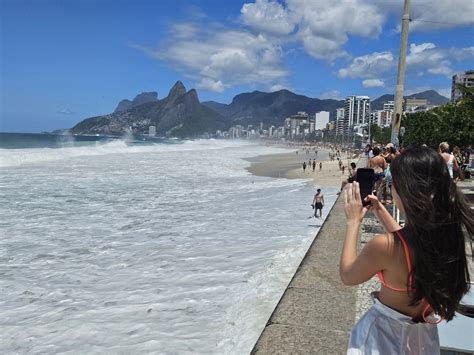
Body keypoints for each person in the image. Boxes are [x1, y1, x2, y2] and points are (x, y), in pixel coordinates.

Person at [340, 146, 472, 354]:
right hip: (423, 335)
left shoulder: (383, 246)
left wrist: (353, 222)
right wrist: (380, 210)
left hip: (383, 337)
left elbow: (348, 275)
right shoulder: (446, 235)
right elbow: (407, 243)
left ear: (404, 190)